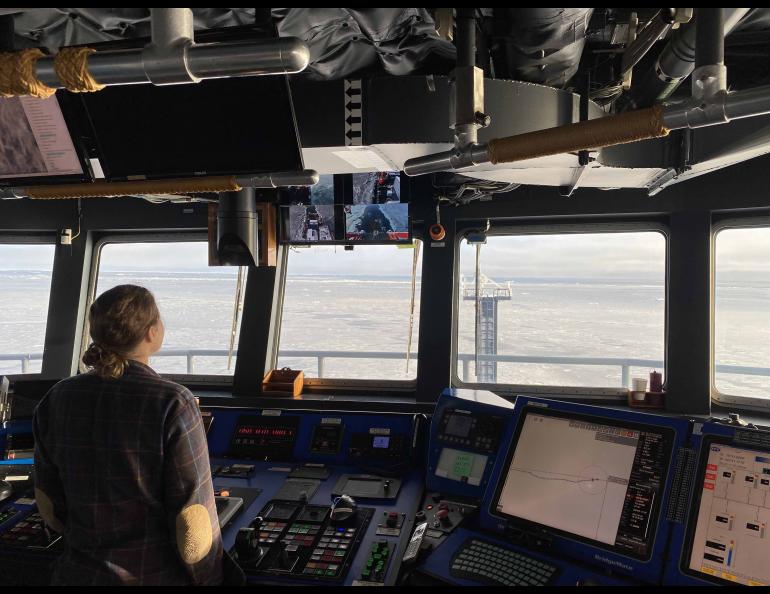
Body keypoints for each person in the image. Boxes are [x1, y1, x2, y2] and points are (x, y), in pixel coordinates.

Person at [33, 284, 223, 585]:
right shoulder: (173, 402)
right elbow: (194, 528)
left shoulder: (57, 397)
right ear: (151, 332)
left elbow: (49, 505)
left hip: (76, 575)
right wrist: (210, 579)